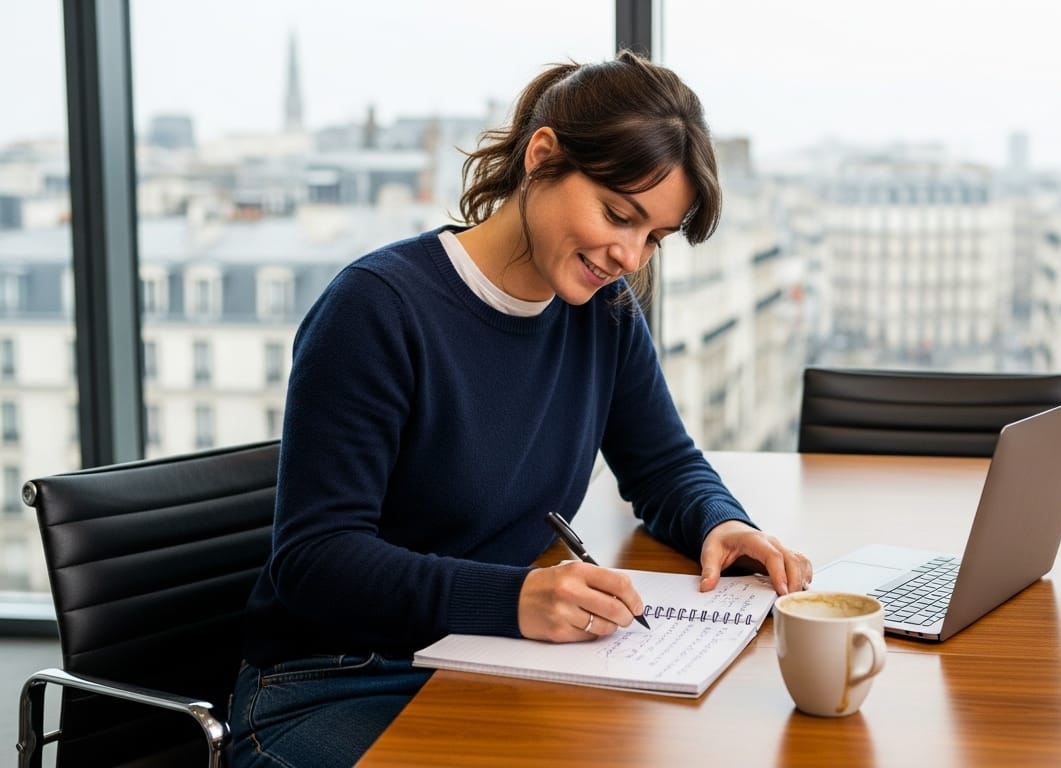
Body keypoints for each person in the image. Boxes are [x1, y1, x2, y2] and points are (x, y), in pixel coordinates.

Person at [228, 50, 812, 767]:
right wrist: (513, 600)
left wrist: (721, 521)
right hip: (334, 682)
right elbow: (315, 562)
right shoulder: (376, 310)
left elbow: (662, 464)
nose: (629, 255)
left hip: (486, 659)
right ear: (542, 157)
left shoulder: (605, 313)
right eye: (618, 214)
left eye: (652, 238)